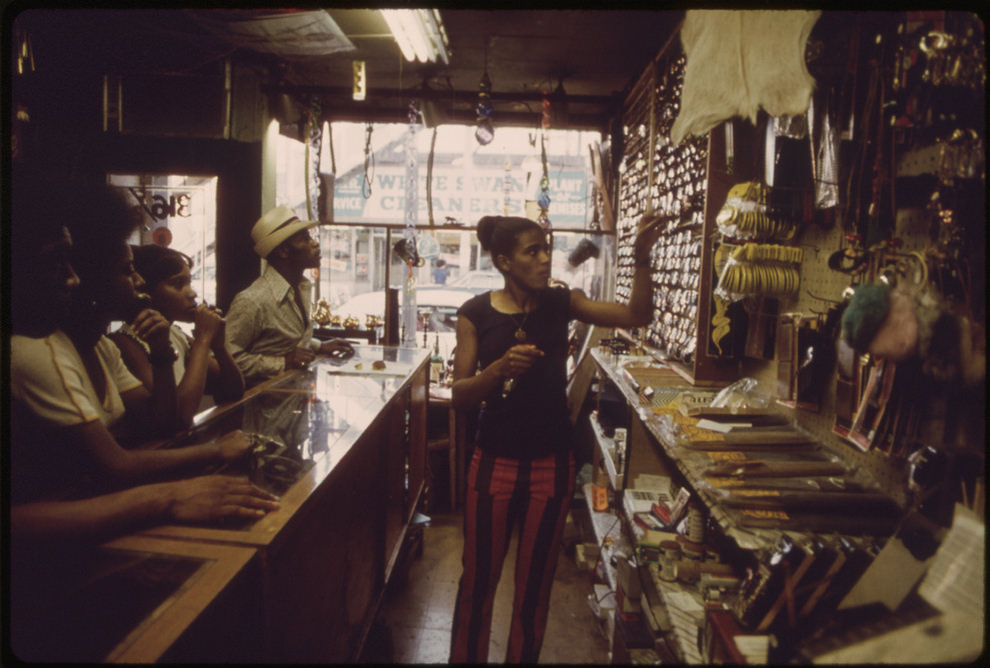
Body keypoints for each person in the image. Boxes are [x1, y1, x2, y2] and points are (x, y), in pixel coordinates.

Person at [448, 214, 660, 663]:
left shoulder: (562, 303)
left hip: (552, 466)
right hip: (493, 464)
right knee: (477, 586)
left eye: (547, 249)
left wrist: (641, 258)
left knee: (534, 591)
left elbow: (638, 315)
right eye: (533, 252)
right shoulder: (475, 314)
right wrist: (499, 369)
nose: (546, 259)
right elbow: (460, 397)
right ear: (505, 261)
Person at [9, 177, 256, 505]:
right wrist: (214, 450)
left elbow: (162, 422)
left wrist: (162, 351)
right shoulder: (44, 351)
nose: (137, 280)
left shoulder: (103, 347)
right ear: (95, 281)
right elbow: (118, 463)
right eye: (128, 271)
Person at [111, 244, 244, 427]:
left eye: (189, 282)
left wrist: (219, 347)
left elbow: (233, 389)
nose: (192, 294)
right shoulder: (126, 342)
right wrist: (203, 340)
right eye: (177, 284)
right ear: (146, 291)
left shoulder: (175, 334)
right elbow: (180, 416)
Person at [225, 205, 353, 386]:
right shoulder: (253, 301)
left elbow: (281, 342)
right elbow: (223, 358)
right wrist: (282, 363)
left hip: (290, 401)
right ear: (283, 251)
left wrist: (319, 346)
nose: (315, 244)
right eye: (304, 239)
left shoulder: (299, 288)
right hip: (261, 406)